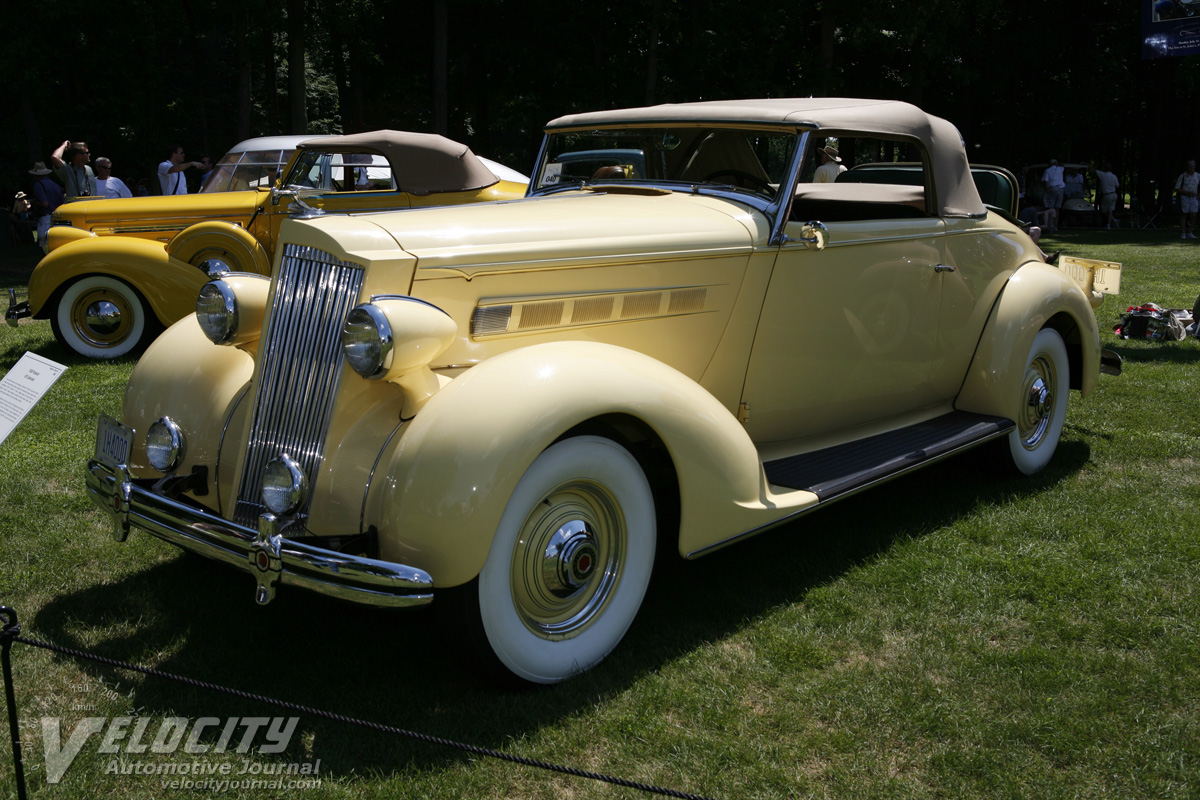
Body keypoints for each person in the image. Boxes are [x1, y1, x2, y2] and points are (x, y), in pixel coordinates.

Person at [29, 161, 64, 245]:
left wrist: (33, 202)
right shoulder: (55, 185)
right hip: (57, 217)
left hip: (46, 217)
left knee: (44, 243)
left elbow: (44, 203)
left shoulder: (39, 185)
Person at [1041, 159, 1065, 232]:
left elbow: (1045, 181)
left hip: (1052, 188)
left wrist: (1045, 192)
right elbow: (1063, 164)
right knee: (1057, 208)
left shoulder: (1047, 170)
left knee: (1050, 208)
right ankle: (1055, 226)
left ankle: (1049, 225)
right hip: (1060, 189)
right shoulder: (1060, 169)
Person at [1094, 162, 1120, 229]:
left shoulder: (1102, 175)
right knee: (1110, 210)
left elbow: (1094, 170)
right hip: (1114, 194)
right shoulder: (1114, 176)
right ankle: (1110, 223)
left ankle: (1111, 221)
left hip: (1107, 195)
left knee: (1103, 210)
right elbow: (1117, 186)